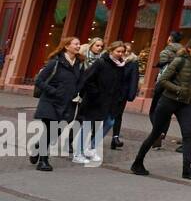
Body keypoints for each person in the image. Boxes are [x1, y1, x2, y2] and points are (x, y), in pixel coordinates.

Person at [132, 38, 191, 179]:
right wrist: (178, 89)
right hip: (168, 101)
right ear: (190, 48)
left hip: (185, 103)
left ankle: (187, 169)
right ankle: (137, 162)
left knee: (187, 134)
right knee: (156, 133)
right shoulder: (179, 61)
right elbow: (163, 80)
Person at [77, 40, 136, 165]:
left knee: (110, 122)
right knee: (88, 125)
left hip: (110, 102)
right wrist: (96, 93)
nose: (120, 54)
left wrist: (119, 97)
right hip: (95, 100)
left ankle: (91, 148)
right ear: (111, 51)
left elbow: (119, 84)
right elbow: (87, 79)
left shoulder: (121, 65)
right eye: (118, 51)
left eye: (122, 52)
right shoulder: (101, 63)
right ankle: (79, 152)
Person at [30, 37, 84, 171]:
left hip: (68, 103)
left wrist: (77, 93)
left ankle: (37, 147)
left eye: (79, 44)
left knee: (57, 131)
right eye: (76, 44)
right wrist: (54, 91)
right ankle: (43, 161)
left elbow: (80, 82)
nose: (78, 46)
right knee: (49, 131)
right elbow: (39, 81)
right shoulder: (55, 62)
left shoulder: (80, 63)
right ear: (66, 46)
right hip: (50, 102)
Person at [148, 31, 184, 150]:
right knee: (167, 112)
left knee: (153, 111)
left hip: (163, 83)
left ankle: (158, 132)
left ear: (170, 39)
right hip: (175, 85)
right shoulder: (184, 53)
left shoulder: (166, 51)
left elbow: (164, 68)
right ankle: (163, 132)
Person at [104, 45, 141, 150]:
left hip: (122, 94)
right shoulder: (113, 61)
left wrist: (131, 95)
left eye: (126, 51)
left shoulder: (132, 63)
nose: (124, 53)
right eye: (122, 51)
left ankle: (115, 138)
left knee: (118, 115)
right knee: (105, 114)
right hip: (109, 92)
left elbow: (134, 79)